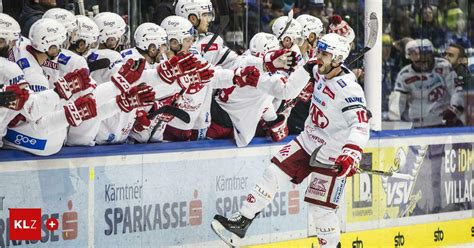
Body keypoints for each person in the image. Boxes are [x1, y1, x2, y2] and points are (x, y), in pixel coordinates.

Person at [211, 33, 370, 248]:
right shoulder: (316, 69)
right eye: (318, 51)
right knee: (273, 173)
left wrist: (350, 153)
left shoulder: (350, 90)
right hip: (307, 141)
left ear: (337, 59)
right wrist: (258, 80)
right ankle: (242, 221)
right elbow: (286, 91)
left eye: (324, 53)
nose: (317, 56)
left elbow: (360, 125)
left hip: (331, 154)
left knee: (320, 210)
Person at [388, 39, 464, 127]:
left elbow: (456, 89)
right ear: (409, 56)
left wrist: (454, 109)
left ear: (431, 53)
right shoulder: (404, 75)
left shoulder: (443, 66)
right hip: (418, 124)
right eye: (416, 55)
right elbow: (397, 103)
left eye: (425, 53)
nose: (422, 58)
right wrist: (395, 121)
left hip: (443, 121)